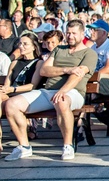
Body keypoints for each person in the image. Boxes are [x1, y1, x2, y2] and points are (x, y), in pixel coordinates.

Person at [4, 20, 97, 161]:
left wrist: (63, 90)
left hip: (73, 93)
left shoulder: (89, 53)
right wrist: (67, 69)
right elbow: (44, 70)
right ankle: (24, 146)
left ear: (82, 34)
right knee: (11, 104)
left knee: (62, 101)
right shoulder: (59, 50)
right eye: (68, 33)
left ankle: (68, 145)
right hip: (48, 91)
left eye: (74, 33)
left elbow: (77, 76)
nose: (70, 36)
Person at [0, 33, 43, 151]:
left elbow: (32, 85)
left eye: (25, 44)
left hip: (27, 95)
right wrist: (5, 89)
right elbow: (7, 83)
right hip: (10, 94)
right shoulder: (14, 63)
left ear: (34, 46)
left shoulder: (39, 63)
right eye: (20, 43)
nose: (21, 46)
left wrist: (12, 89)